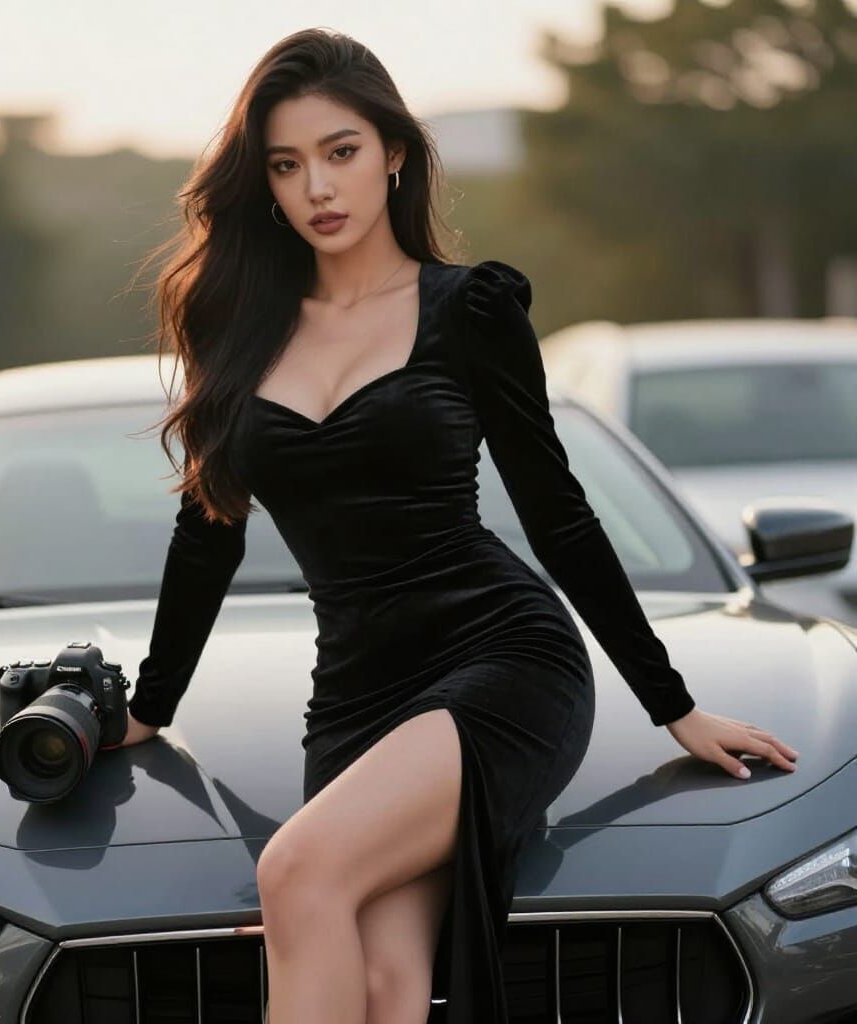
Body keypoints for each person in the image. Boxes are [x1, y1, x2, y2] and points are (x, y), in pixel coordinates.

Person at [117, 27, 800, 1024]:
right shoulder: (240, 330)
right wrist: (147, 705)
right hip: (353, 695)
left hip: (501, 662)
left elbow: (559, 517)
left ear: (393, 152)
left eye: (340, 151)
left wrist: (673, 707)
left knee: (298, 869)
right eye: (287, 163)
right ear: (261, 183)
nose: (318, 187)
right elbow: (208, 531)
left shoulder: (468, 310)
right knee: (391, 984)